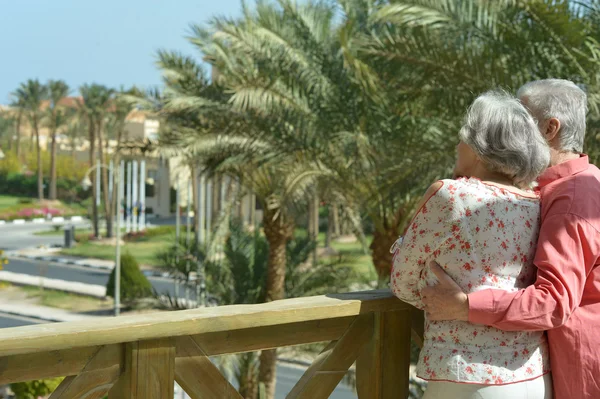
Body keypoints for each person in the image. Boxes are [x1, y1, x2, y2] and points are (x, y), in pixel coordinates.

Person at [421, 79, 600, 399]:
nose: (509, 126)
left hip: (581, 376)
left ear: (549, 129)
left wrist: (465, 306)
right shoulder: (573, 185)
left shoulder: (571, 199)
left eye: (520, 117)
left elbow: (553, 302)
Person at [390, 90, 552, 399]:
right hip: (534, 376)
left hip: (467, 377)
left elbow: (403, 283)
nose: (456, 146)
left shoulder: (450, 195)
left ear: (479, 148)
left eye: (462, 138)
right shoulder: (539, 203)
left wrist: (446, 301)